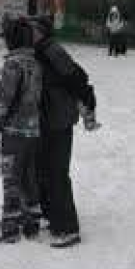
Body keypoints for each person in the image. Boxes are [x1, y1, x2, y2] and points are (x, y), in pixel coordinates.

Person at [30, 15, 99, 249]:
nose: (30, 33)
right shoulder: (39, 51)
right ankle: (53, 217)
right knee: (43, 170)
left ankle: (69, 228)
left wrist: (87, 103)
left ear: (42, 32)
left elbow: (78, 78)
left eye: (34, 30)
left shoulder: (52, 51)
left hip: (58, 120)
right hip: (47, 120)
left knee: (57, 173)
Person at [0, 18, 42, 243]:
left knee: (10, 176)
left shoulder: (13, 64)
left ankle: (10, 226)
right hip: (33, 131)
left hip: (13, 131)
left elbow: (5, 98)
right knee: (29, 176)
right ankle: (32, 221)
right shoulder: (35, 62)